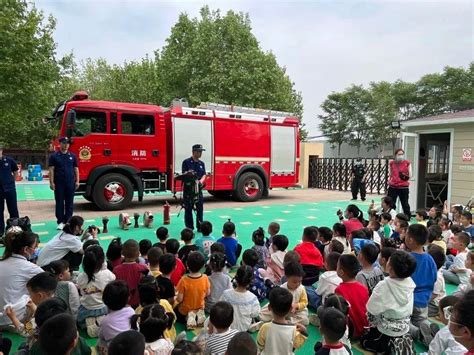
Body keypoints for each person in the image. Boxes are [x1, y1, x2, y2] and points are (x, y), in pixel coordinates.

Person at [360, 250, 417, 354]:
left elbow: (371, 311)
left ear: (390, 267)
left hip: (386, 332)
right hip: (404, 328)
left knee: (364, 340)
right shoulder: (410, 283)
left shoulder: (384, 285)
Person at [0, 230, 42, 328]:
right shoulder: (30, 268)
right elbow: (50, 283)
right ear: (26, 249)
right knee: (42, 294)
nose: (36, 250)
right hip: (14, 320)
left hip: (3, 317)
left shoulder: (2, 261)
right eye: (35, 247)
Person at [404, 224, 437, 341]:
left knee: (403, 323)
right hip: (424, 300)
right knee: (421, 320)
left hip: (408, 299)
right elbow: (434, 278)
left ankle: (418, 333)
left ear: (411, 240)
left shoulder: (406, 258)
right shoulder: (430, 259)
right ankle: (428, 327)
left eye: (406, 235)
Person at [76, 245, 115, 337]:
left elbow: (80, 288)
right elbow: (114, 279)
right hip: (104, 307)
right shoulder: (107, 274)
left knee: (81, 318)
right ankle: (101, 321)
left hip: (86, 309)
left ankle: (89, 322)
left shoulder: (81, 277)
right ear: (102, 261)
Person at [256, 287, 306, 354]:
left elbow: (260, 345)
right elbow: (298, 345)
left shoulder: (265, 327)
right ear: (291, 308)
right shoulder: (293, 330)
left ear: (269, 307)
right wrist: (304, 332)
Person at [334, 254, 369, 339]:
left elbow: (337, 313)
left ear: (341, 272)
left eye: (337, 266)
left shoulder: (339, 290)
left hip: (349, 332)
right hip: (363, 329)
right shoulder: (364, 288)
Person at [48, 137, 79, 230]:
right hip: (59, 182)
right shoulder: (54, 156)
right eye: (64, 143)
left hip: (70, 182)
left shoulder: (72, 156)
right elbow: (51, 170)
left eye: (67, 144)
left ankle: (68, 221)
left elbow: (76, 169)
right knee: (59, 202)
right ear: (60, 144)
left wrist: (77, 181)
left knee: (69, 202)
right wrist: (51, 182)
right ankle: (60, 221)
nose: (66, 145)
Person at [97, 280, 135, 352]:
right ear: (128, 298)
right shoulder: (131, 311)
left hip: (115, 350)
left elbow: (101, 335)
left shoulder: (106, 321)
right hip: (131, 347)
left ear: (105, 300)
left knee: (99, 343)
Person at [175, 251, 210, 328]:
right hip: (199, 308)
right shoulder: (205, 277)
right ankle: (196, 317)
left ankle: (188, 318)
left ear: (187, 265)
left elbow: (179, 299)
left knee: (174, 310)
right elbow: (207, 293)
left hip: (184, 311)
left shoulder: (184, 280)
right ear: (202, 266)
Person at [221, 265, 260, 332]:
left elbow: (219, 308)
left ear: (236, 277)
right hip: (244, 329)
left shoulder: (226, 294)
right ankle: (252, 325)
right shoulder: (253, 298)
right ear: (251, 281)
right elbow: (255, 314)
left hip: (227, 328)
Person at [113, 239, 149, 308]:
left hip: (122, 304)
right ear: (139, 254)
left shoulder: (116, 270)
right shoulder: (144, 268)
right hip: (140, 304)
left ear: (122, 253)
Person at [181, 144, 207, 231]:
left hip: (198, 189)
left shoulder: (201, 163)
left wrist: (200, 181)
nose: (200, 153)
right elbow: (184, 174)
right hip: (188, 189)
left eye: (201, 152)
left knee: (200, 208)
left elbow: (204, 174)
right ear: (193, 152)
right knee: (188, 209)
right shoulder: (186, 162)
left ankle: (200, 226)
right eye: (198, 151)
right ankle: (189, 227)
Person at [0, 144, 19, 237]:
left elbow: (15, 171)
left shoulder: (9, 160)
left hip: (10, 188)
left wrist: (13, 181)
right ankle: (0, 231)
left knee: (13, 210)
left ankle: (15, 229)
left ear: (1, 150)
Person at [387, 148, 411, 218]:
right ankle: (390, 216)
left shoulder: (407, 163)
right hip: (393, 186)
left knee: (405, 203)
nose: (401, 156)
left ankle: (407, 216)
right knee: (391, 203)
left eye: (402, 154)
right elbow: (390, 174)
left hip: (403, 187)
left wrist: (404, 177)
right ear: (395, 155)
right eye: (399, 154)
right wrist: (391, 181)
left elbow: (410, 175)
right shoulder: (392, 163)